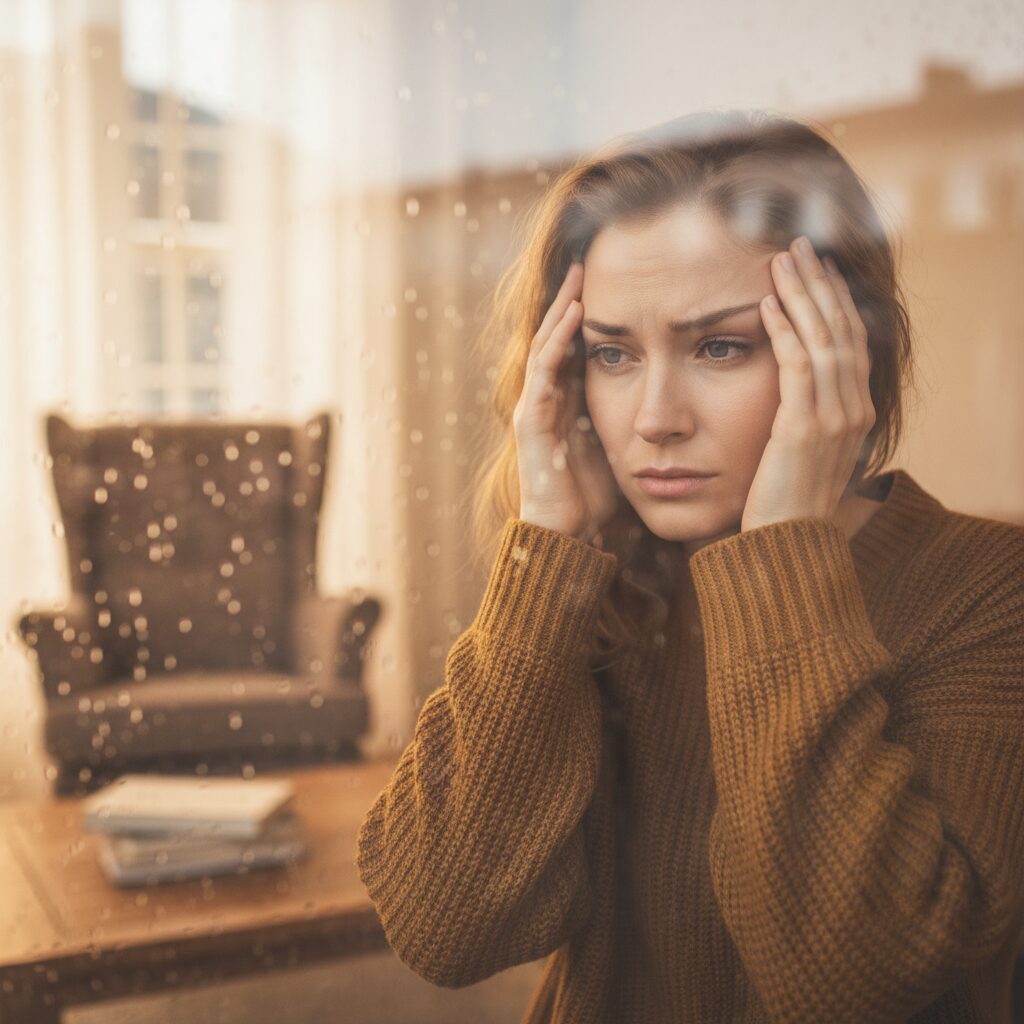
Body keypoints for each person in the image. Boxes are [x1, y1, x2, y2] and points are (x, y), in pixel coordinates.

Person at [356, 109, 1024, 1023]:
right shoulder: (601, 583)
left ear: (840, 351)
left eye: (720, 346)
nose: (656, 417)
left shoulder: (990, 589)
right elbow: (444, 928)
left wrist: (781, 557)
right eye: (612, 354)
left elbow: (855, 978)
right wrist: (542, 553)